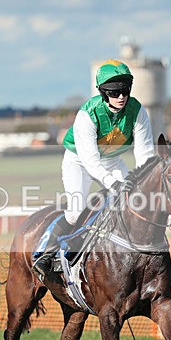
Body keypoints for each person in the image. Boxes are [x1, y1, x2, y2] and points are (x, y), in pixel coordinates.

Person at [32, 60, 155, 281]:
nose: (121, 97)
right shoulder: (87, 114)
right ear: (103, 93)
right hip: (79, 162)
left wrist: (144, 182)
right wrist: (113, 183)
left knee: (135, 201)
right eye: (115, 92)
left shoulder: (138, 111)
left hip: (112, 161)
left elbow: (145, 153)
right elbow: (90, 160)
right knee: (76, 210)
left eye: (125, 91)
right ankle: (44, 252)